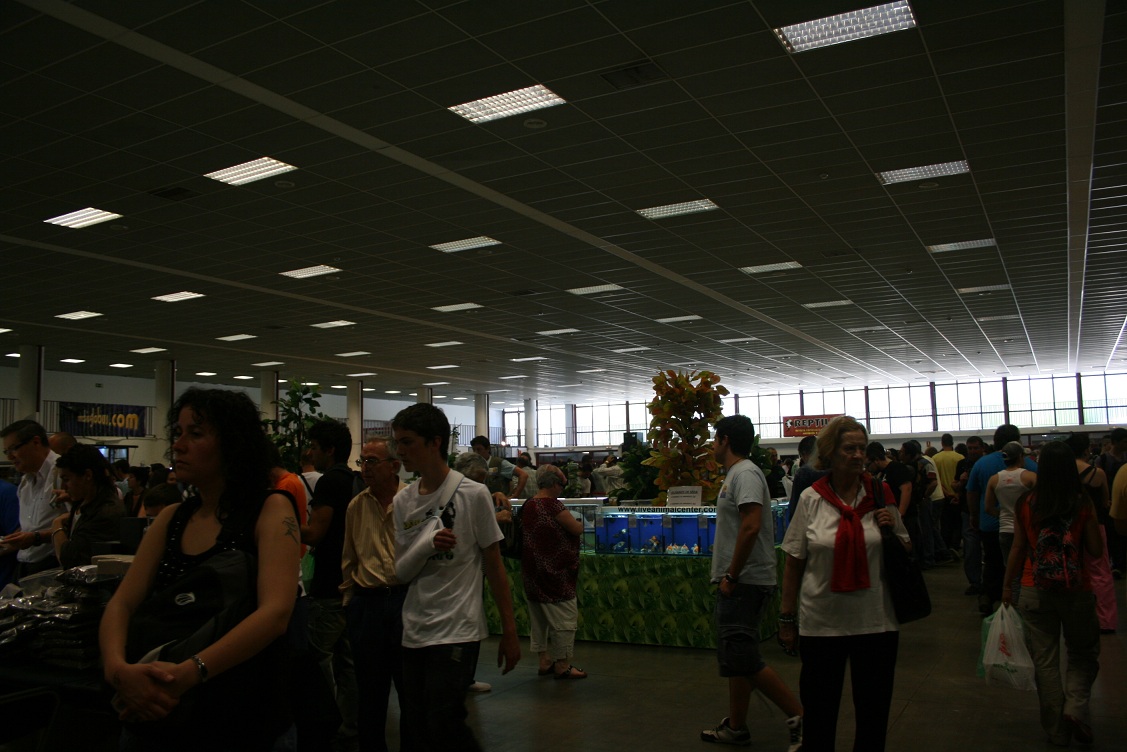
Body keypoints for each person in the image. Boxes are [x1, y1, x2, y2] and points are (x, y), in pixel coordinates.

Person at [98, 388, 300, 751]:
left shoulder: (270, 510)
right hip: (157, 718)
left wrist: (188, 673)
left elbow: (275, 614)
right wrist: (119, 671)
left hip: (241, 716)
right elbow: (122, 603)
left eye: (196, 433)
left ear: (233, 445)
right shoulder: (172, 518)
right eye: (178, 432)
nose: (178, 445)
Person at [392, 404, 520, 752]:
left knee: (444, 721)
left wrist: (509, 631)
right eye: (397, 442)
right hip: (414, 630)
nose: (400, 451)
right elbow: (401, 571)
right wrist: (426, 545)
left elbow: (494, 565)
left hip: (457, 629)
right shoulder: (403, 501)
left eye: (407, 442)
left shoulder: (473, 495)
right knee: (416, 726)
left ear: (435, 442)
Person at [780, 416, 910, 752]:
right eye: (849, 449)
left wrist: (889, 527)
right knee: (819, 718)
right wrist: (786, 617)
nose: (858, 455)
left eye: (862, 449)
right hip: (822, 624)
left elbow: (906, 547)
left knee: (873, 719)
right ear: (831, 453)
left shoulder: (880, 495)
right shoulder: (811, 499)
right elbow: (793, 560)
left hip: (876, 622)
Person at [701, 415, 802, 750]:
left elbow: (751, 525)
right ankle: (736, 726)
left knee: (743, 658)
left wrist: (732, 575)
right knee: (737, 658)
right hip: (741, 581)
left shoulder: (744, 473)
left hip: (744, 582)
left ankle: (800, 717)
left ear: (725, 440)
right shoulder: (737, 473)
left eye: (715, 438)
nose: (712, 445)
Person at [1002, 441, 1102, 747]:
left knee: (1045, 661)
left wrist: (1007, 586)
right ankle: (1075, 707)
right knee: (1083, 653)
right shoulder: (1082, 502)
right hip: (1076, 589)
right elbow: (1096, 550)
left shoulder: (1027, 502)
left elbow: (1018, 548)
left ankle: (1056, 730)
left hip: (1034, 588)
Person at [341, 439, 408, 752]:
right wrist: (349, 602)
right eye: (362, 461)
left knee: (410, 690)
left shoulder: (413, 501)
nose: (365, 468)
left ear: (394, 466)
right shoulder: (356, 506)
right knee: (370, 692)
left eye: (372, 461)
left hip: (405, 601)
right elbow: (349, 558)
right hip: (367, 604)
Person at [301, 419, 359, 750]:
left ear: (330, 450)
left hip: (327, 585)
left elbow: (315, 533)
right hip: (351, 583)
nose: (310, 453)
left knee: (318, 659)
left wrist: (285, 522)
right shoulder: (354, 480)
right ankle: (350, 724)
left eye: (314, 447)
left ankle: (321, 722)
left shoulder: (328, 483)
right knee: (348, 662)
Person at [520, 464, 586, 680]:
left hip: (532, 572)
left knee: (539, 620)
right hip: (556, 574)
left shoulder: (529, 504)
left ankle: (544, 661)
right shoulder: (553, 505)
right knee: (565, 618)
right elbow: (576, 528)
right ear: (554, 484)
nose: (561, 489)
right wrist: (579, 522)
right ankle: (562, 664)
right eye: (561, 485)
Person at [968, 424, 1037, 614]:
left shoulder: (982, 464)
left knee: (992, 562)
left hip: (990, 524)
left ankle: (988, 596)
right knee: (1021, 566)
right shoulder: (1030, 466)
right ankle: (1020, 602)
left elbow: (972, 492)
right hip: (1023, 526)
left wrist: (974, 515)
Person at [1065, 433, 1117, 632]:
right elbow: (1105, 501)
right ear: (1087, 450)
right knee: (1100, 571)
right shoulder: (1098, 473)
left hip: (1070, 527)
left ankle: (1075, 618)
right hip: (1096, 526)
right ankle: (1105, 620)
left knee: (1072, 569)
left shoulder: (1063, 473)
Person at [1, 420, 64, 577]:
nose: (10, 457)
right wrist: (11, 540)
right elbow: (29, 528)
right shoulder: (25, 483)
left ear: (36, 442)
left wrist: (37, 537)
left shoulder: (62, 473)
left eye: (14, 449)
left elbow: (79, 525)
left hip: (53, 566)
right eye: (6, 451)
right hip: (25, 566)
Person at [49, 444, 125, 568]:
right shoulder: (84, 502)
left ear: (88, 475)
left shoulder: (105, 513)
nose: (64, 487)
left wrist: (57, 524)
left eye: (67, 479)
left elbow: (68, 559)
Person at [984, 441, 1036, 604]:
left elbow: (988, 508)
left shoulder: (994, 479)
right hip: (1027, 531)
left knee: (1012, 573)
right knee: (1029, 571)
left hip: (1005, 530)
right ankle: (1026, 605)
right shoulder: (1030, 477)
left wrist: (1003, 515)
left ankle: (1012, 608)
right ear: (1020, 457)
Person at [954, 436, 986, 595]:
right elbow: (955, 486)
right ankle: (975, 582)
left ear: (982, 448)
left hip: (986, 512)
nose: (972, 451)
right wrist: (961, 482)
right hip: (967, 511)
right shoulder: (962, 464)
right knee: (971, 549)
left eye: (975, 448)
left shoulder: (986, 464)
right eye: (970, 448)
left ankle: (990, 581)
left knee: (989, 548)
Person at [933, 434, 965, 549]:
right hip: (958, 495)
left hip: (943, 496)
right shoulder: (960, 457)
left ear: (942, 443)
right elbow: (963, 479)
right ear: (952, 443)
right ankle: (955, 547)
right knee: (958, 524)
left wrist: (946, 493)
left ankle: (945, 547)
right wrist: (956, 494)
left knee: (945, 524)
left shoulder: (935, 458)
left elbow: (936, 480)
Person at [786, 435, 822, 527]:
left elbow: (795, 508)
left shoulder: (804, 473)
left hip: (809, 524)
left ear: (804, 454)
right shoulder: (833, 469)